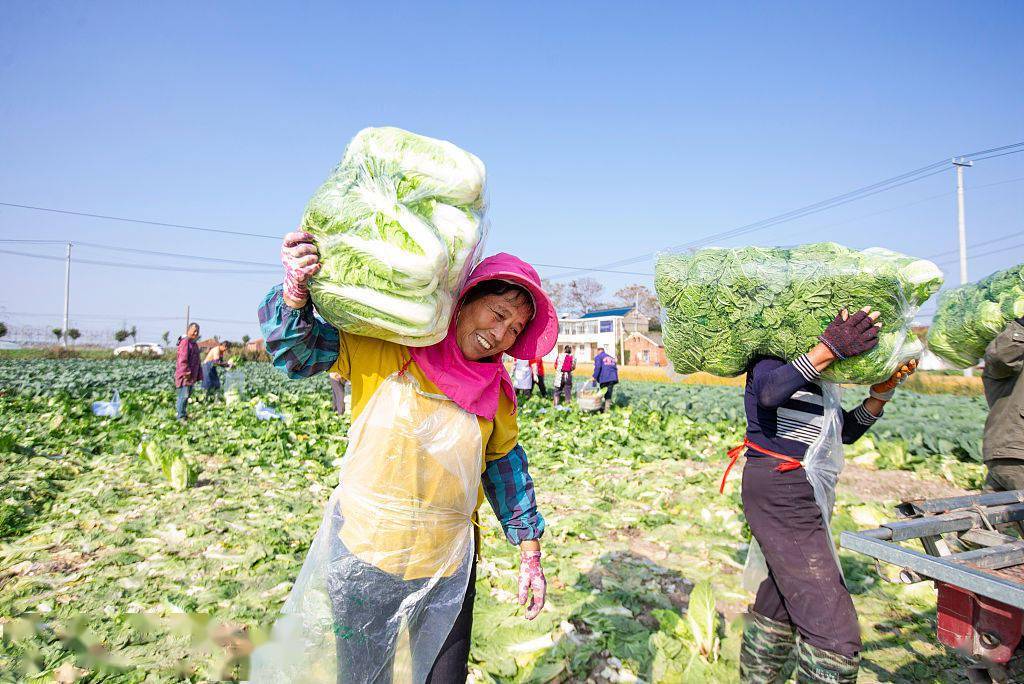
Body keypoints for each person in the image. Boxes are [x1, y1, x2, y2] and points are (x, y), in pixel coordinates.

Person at [254, 231, 557, 683]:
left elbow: (504, 466)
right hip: (365, 553)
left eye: (514, 330)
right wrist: (295, 295)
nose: (500, 335)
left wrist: (530, 550)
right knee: (360, 677)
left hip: (448, 565)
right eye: (498, 314)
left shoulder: (497, 394)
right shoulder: (386, 344)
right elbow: (296, 352)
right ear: (466, 297)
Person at [730, 307, 917, 683]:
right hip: (780, 488)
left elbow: (840, 432)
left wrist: (879, 396)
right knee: (834, 633)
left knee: (780, 599)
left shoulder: (821, 378)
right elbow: (768, 394)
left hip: (800, 491)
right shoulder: (770, 358)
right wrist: (827, 348)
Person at [981, 315, 1024, 491]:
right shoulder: (1009, 360)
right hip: (1016, 458)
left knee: (994, 517)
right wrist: (1021, 326)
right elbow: (1000, 358)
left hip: (1009, 457)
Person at [175, 323, 202, 422]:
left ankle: (183, 413)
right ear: (188, 330)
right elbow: (182, 359)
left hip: (191, 375)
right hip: (185, 375)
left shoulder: (193, 343)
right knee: (184, 394)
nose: (195, 333)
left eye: (197, 331)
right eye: (194, 331)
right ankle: (180, 416)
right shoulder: (185, 342)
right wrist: (186, 372)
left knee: (187, 394)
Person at [592, 346, 619, 412]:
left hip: (605, 377)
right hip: (613, 377)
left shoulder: (598, 357)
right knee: (608, 393)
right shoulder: (611, 358)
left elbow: (598, 367)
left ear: (598, 351)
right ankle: (607, 409)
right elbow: (615, 368)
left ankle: (598, 407)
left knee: (601, 392)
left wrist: (594, 377)